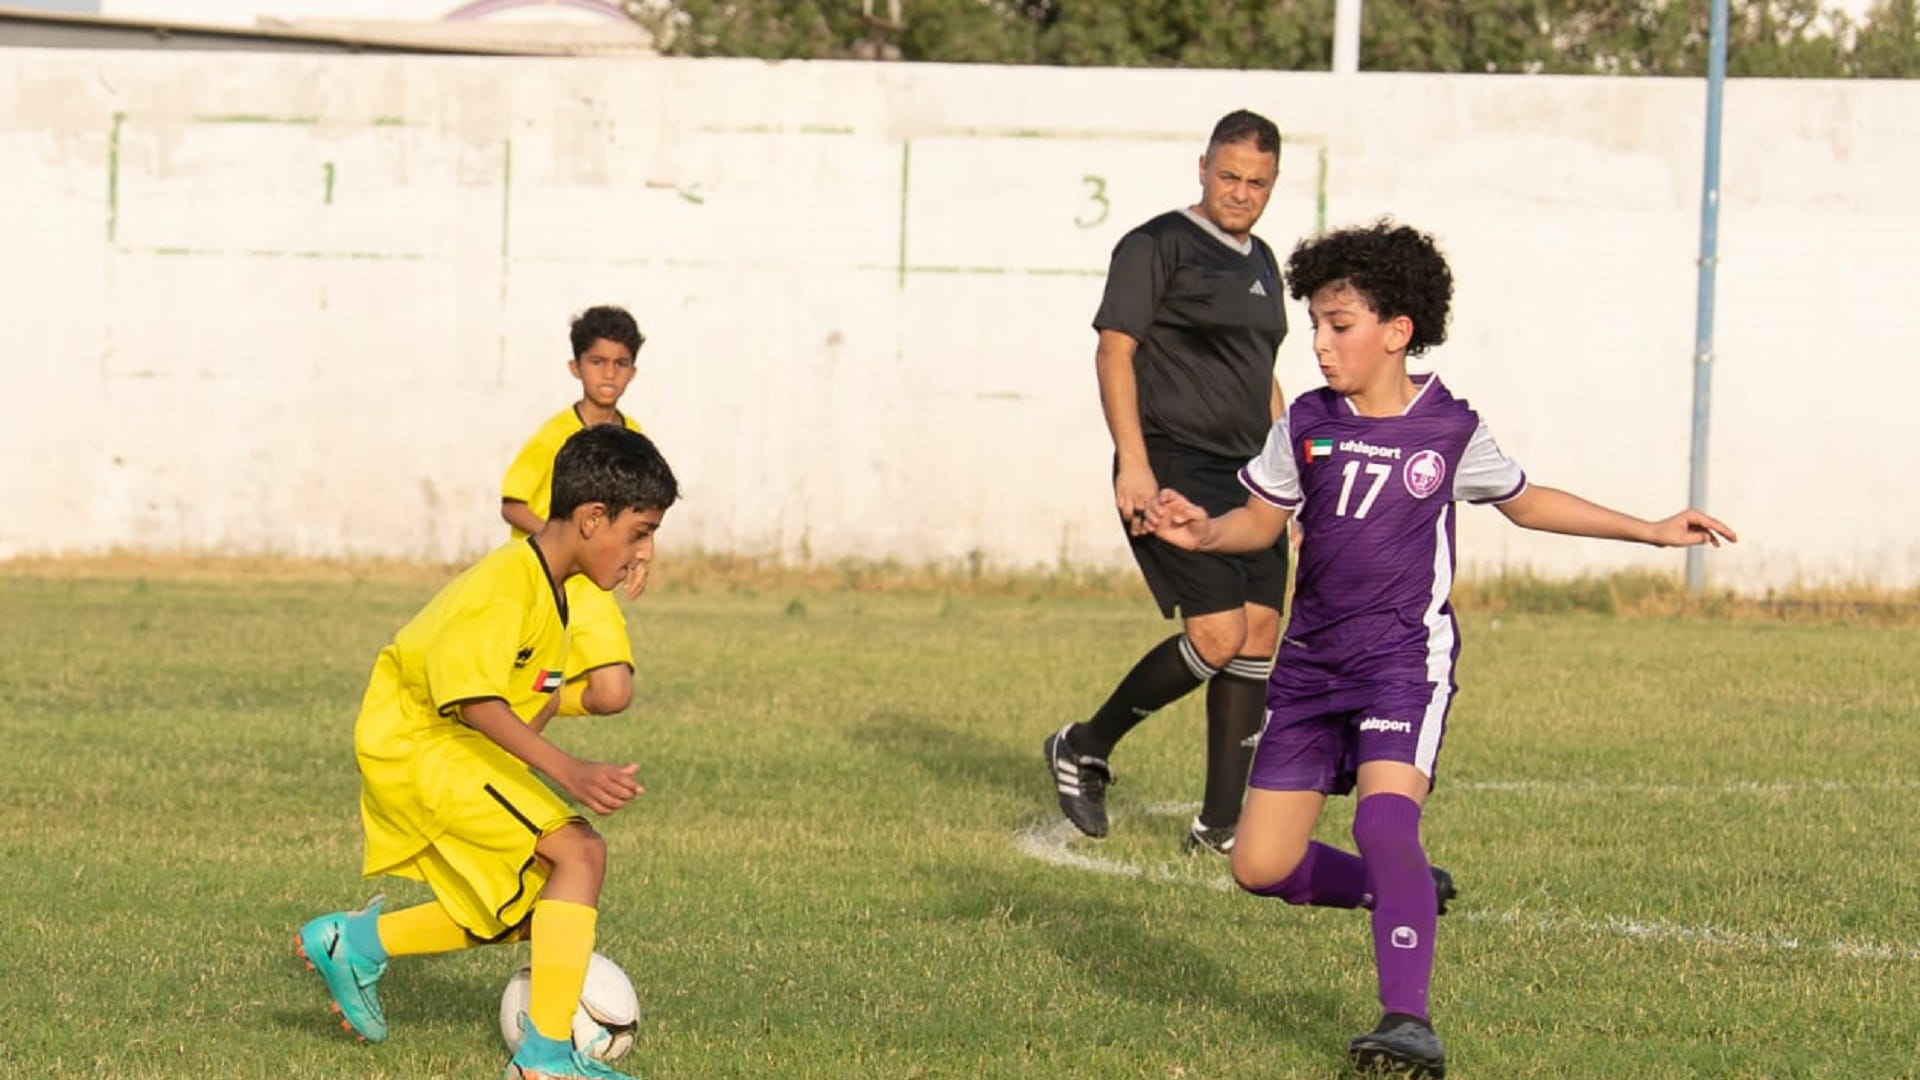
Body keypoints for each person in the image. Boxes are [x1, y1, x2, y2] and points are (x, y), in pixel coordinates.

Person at [1146, 220, 1737, 1078]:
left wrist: (1648, 529)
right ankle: (1407, 889)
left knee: (1385, 820)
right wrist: (1204, 532)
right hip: (1310, 669)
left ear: (1398, 330)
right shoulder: (1305, 421)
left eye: (1338, 325)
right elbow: (1259, 522)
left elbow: (1527, 502)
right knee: (1258, 865)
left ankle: (1407, 1023)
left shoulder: (1449, 427)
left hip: (1401, 663)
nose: (1319, 343)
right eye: (1314, 325)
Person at [298, 425, 680, 1080]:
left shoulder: (554, 590)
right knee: (580, 853)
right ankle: (543, 1061)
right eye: (640, 532)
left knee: (541, 907)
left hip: (449, 746)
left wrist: (579, 701)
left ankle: (354, 944)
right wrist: (569, 770)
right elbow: (475, 701)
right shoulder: (508, 584)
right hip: (422, 745)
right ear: (593, 518)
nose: (645, 552)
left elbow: (529, 698)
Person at [1043, 108, 1292, 856]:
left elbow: (1264, 377)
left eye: (1257, 182)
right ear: (1203, 168)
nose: (1241, 193)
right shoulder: (1155, 245)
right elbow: (1114, 351)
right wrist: (1135, 460)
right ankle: (1084, 744)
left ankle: (1218, 826)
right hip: (1174, 462)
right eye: (1229, 176)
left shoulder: (1263, 261)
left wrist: (1290, 478)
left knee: (1258, 633)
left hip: (1252, 474)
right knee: (1216, 635)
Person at [501, 305, 650, 720]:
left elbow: (640, 510)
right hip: (546, 581)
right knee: (538, 689)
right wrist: (564, 541)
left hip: (592, 586)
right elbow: (512, 504)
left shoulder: (633, 438)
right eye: (597, 362)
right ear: (575, 367)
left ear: (633, 372)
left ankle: (534, 699)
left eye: (621, 363)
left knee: (612, 694)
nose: (609, 374)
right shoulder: (553, 437)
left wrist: (639, 553)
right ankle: (520, 711)